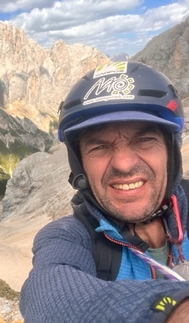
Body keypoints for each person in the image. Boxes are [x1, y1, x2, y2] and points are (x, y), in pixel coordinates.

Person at [20, 61, 189, 323]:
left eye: (144, 140)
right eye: (99, 147)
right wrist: (174, 310)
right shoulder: (69, 236)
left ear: (170, 152)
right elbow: (46, 293)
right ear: (80, 166)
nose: (123, 164)